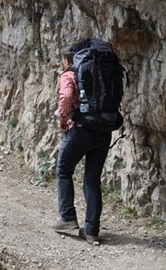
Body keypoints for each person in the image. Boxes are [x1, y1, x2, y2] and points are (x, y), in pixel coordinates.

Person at [52, 41, 112, 245]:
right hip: (104, 130)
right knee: (92, 179)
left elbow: (67, 95)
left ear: (67, 59)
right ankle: (92, 231)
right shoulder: (99, 70)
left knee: (63, 170)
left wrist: (62, 117)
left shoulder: (70, 73)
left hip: (80, 130)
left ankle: (68, 218)